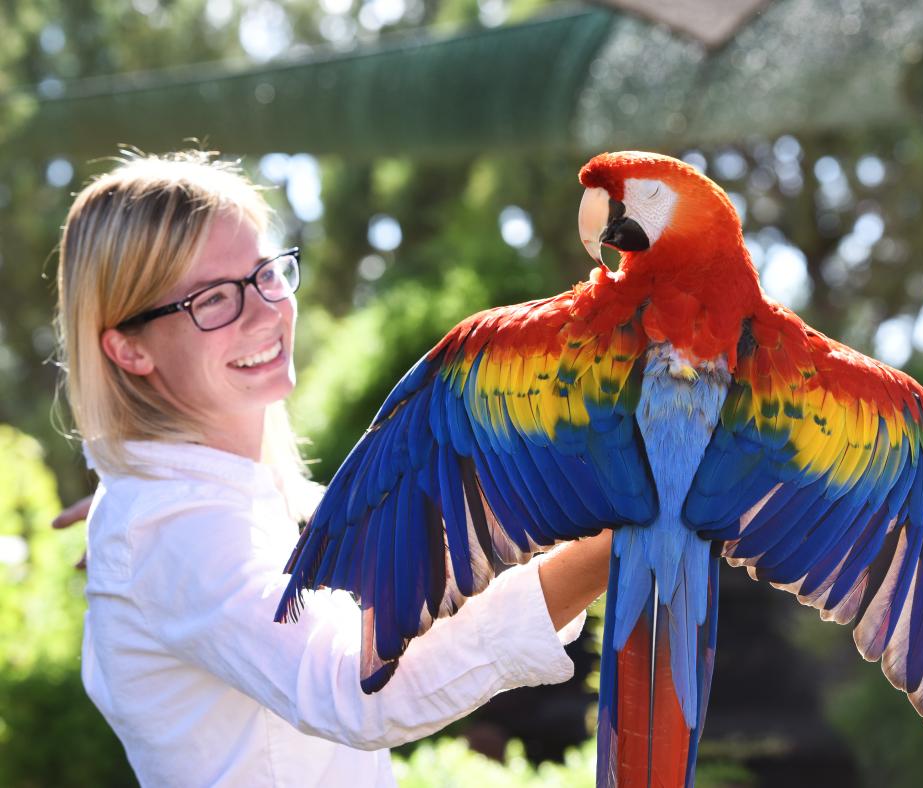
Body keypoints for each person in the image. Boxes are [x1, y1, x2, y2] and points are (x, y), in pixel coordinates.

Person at [54, 150, 612, 787]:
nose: (266, 313)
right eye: (211, 300)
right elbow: (360, 688)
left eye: (265, 273)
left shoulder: (197, 508)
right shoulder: (172, 526)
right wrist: (613, 542)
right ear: (128, 347)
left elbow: (407, 535)